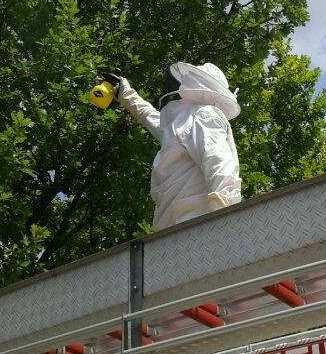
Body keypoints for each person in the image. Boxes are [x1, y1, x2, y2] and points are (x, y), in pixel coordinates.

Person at [101, 62, 241, 231]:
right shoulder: (179, 124)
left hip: (200, 225)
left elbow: (219, 163)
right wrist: (125, 93)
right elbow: (149, 116)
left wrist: (224, 215)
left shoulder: (203, 115)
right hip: (170, 228)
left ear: (196, 84)